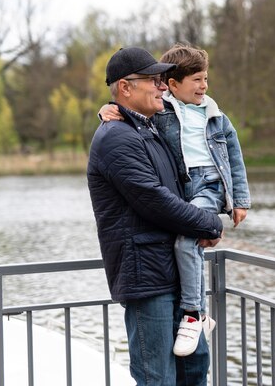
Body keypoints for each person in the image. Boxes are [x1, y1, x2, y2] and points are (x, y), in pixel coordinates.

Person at [99, 43, 251, 357]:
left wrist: (239, 201)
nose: (204, 86)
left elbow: (234, 157)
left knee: (186, 242)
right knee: (188, 241)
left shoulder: (215, 115)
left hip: (208, 187)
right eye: (197, 80)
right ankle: (199, 314)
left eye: (206, 79)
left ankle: (194, 313)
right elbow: (133, 113)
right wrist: (105, 109)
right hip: (182, 196)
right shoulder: (160, 113)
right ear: (173, 85)